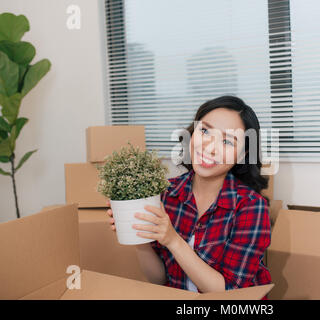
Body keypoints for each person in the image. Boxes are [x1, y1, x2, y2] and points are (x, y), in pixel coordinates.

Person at [107, 95, 272, 299]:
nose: (209, 147)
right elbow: (159, 280)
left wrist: (173, 240)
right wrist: (141, 236)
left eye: (227, 141)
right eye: (204, 131)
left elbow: (233, 294)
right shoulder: (167, 194)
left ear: (242, 154)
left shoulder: (251, 206)